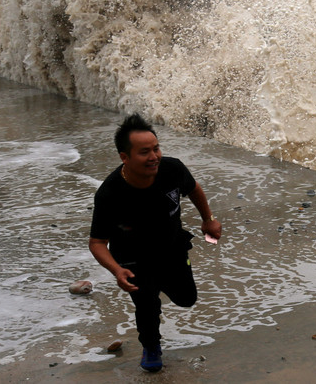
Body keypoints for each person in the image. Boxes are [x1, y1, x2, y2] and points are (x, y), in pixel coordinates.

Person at [89, 113, 222, 373]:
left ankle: (156, 287)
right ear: (124, 157)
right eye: (144, 152)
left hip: (172, 248)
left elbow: (194, 189)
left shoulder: (172, 169)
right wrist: (117, 270)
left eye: (156, 148)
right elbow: (96, 242)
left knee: (187, 298)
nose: (154, 157)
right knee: (147, 304)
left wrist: (208, 219)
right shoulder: (110, 194)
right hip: (132, 259)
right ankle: (151, 347)